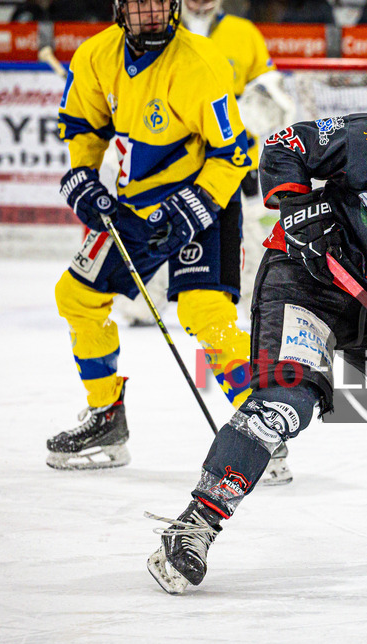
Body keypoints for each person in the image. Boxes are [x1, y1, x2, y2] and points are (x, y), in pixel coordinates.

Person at [146, 75, 367, 594]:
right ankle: (194, 526)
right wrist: (298, 209)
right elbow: (284, 145)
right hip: (304, 279)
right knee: (286, 402)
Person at [46, 0, 254, 470]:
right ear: (120, 8)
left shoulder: (201, 63)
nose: (153, 11)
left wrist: (195, 205)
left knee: (205, 311)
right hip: (136, 203)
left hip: (205, 200)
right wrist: (82, 175)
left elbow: (233, 154)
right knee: (77, 297)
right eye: (141, 2)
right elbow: (83, 126)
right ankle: (106, 416)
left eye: (162, 0)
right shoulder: (95, 56)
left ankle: (259, 427)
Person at [115, 0, 297, 484]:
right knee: (142, 291)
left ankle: (260, 420)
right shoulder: (152, 33)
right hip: (160, 183)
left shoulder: (242, 33)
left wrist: (250, 110)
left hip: (223, 177)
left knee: (215, 305)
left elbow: (275, 93)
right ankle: (146, 301)